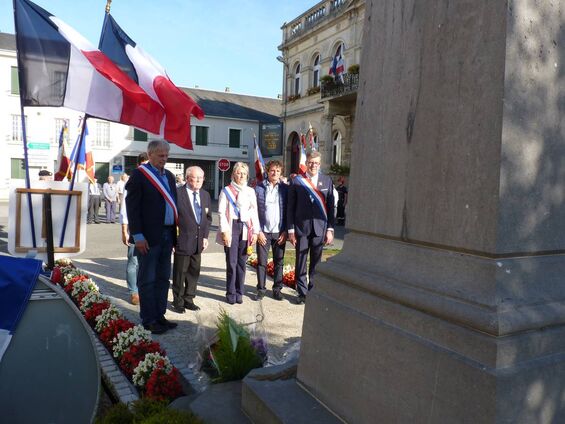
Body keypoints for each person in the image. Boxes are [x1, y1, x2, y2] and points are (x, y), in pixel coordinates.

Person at [125, 140, 178, 334]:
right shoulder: (140, 175)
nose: (164, 159)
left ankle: (160, 315)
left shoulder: (170, 177)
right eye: (160, 156)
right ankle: (148, 319)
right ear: (150, 155)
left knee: (163, 278)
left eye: (166, 155)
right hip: (147, 236)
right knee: (147, 278)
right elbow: (132, 207)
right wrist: (137, 235)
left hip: (167, 234)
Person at [287, 150, 335, 304]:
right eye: (311, 162)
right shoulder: (297, 181)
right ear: (306, 163)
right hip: (302, 228)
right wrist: (291, 230)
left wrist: (330, 229)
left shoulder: (327, 181)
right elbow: (290, 207)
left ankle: (312, 290)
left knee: (316, 262)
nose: (313, 165)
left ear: (319, 164)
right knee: (301, 260)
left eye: (316, 163)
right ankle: (301, 293)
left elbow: (331, 207)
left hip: (320, 229)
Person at [217, 162, 259, 304]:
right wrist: (225, 231)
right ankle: (231, 293)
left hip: (246, 228)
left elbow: (254, 213)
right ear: (233, 174)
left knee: (242, 262)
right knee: (232, 262)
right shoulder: (226, 191)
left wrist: (256, 232)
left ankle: (240, 292)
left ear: (247, 175)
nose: (241, 175)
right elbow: (221, 213)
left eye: (243, 173)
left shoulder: (250, 191)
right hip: (232, 227)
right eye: (238, 173)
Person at [171, 166, 212, 313]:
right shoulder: (177, 194)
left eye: (201, 178)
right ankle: (178, 301)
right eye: (196, 177)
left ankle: (189, 299)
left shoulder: (205, 195)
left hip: (198, 241)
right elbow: (171, 218)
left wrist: (206, 237)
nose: (199, 181)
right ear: (188, 178)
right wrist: (172, 239)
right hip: (182, 240)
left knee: (194, 272)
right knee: (180, 272)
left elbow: (208, 219)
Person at [254, 160, 288, 301]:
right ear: (267, 172)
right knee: (262, 262)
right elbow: (254, 211)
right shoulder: (259, 188)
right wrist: (258, 231)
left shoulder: (285, 189)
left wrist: (285, 231)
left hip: (279, 232)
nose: (275, 173)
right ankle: (261, 289)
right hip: (264, 232)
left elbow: (288, 212)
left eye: (278, 171)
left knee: (279, 262)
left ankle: (277, 289)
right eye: (272, 170)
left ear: (281, 173)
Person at [119, 154, 148, 305]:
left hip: (151, 228)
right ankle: (133, 292)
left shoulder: (156, 180)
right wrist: (124, 229)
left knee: (148, 262)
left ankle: (145, 289)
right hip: (135, 227)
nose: (145, 167)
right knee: (133, 261)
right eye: (143, 164)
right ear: (138, 165)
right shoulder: (132, 181)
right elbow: (125, 207)